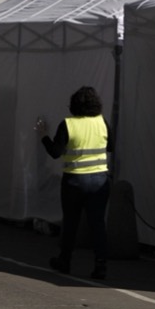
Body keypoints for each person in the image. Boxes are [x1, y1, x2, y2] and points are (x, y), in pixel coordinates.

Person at [35, 86, 112, 280]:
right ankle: (101, 265)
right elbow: (111, 146)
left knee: (71, 223)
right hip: (99, 180)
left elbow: (55, 152)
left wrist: (43, 135)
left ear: (74, 104)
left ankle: (65, 260)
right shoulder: (102, 122)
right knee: (97, 224)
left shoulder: (68, 124)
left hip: (74, 180)